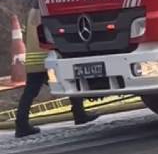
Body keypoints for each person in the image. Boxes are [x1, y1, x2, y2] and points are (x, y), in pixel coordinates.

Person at [15, 7, 97, 138]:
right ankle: (79, 114)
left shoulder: (31, 11)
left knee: (31, 92)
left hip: (33, 58)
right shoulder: (45, 10)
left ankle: (21, 123)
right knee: (70, 80)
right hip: (47, 56)